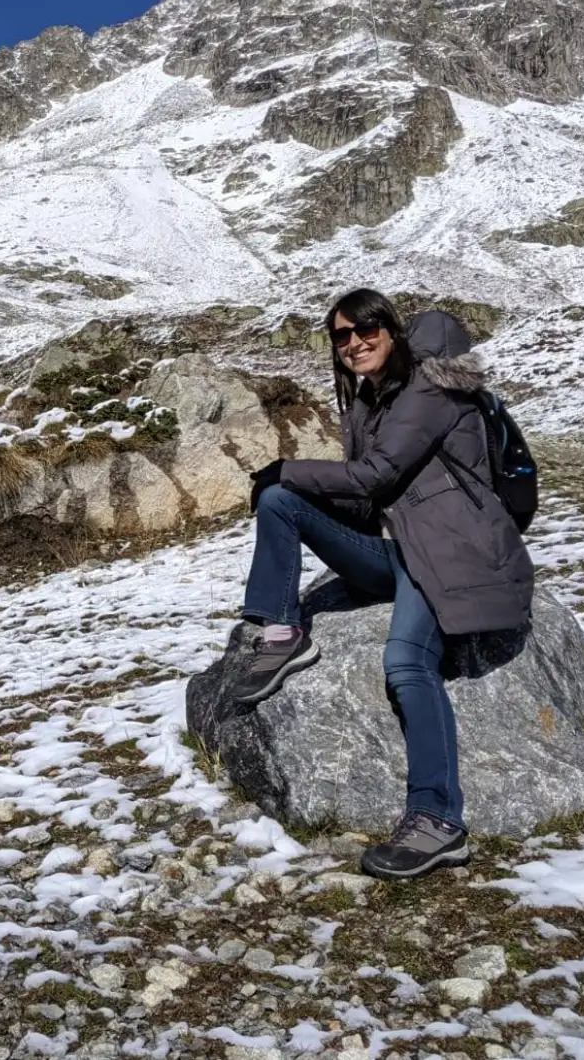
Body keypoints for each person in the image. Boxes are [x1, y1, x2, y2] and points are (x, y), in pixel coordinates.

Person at [235, 288, 534, 880]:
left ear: (394, 333)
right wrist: (292, 488)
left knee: (405, 663)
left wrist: (286, 467)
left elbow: (377, 474)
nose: (353, 343)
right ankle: (280, 630)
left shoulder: (431, 390)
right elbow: (367, 495)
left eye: (366, 329)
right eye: (341, 336)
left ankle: (437, 820)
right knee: (279, 502)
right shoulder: (372, 400)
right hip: (393, 551)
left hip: (446, 557)